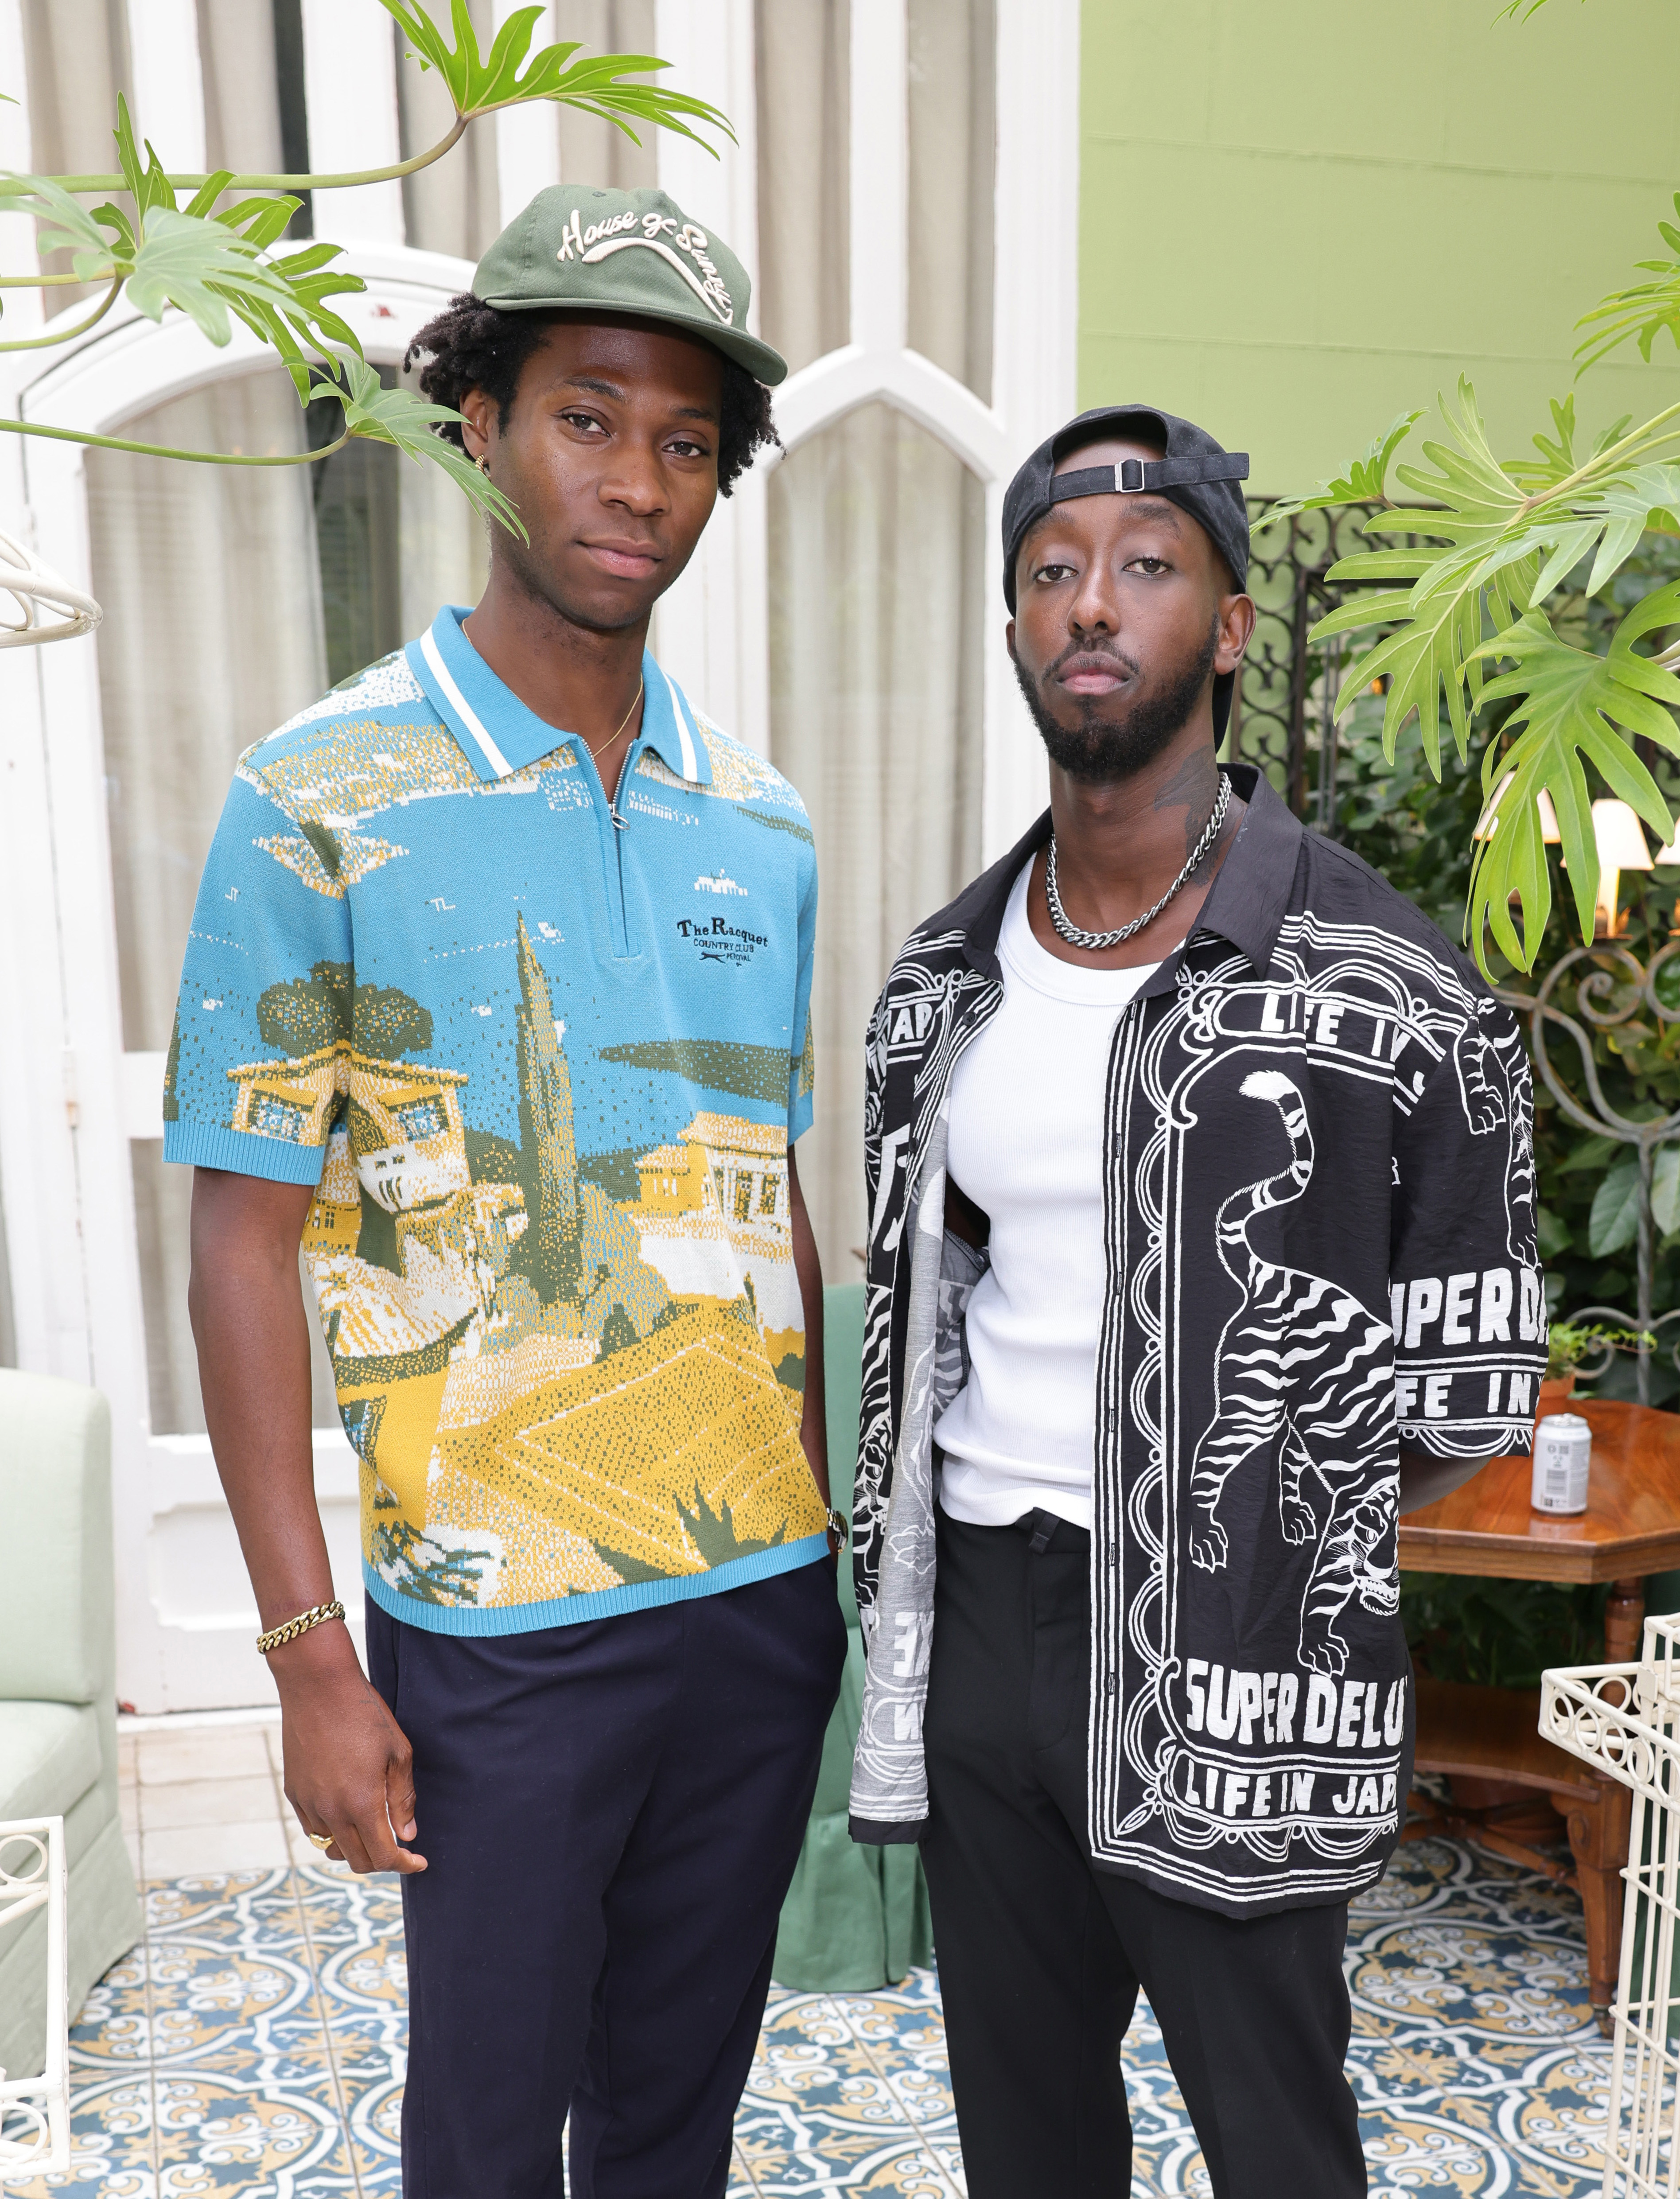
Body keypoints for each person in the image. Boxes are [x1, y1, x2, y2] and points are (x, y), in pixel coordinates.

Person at [166, 184, 848, 2199]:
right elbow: (240, 1234)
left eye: (687, 441)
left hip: (752, 1599)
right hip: (496, 1631)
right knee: (486, 2135)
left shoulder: (766, 815)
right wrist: (308, 1650)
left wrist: (807, 1500)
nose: (636, 481)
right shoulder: (323, 790)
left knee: (675, 2121)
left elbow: (772, 1183)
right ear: (480, 420)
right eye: (588, 416)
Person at [848, 404, 1547, 2199]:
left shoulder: (1390, 983)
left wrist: (1265, 1536)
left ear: (1228, 627)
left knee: (1279, 2147)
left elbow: (1472, 1377)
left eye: (1148, 566)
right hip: (989, 1628)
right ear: (1015, 629)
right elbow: (918, 1315)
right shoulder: (940, 980)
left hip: (1242, 1647)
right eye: (1053, 573)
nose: (1095, 603)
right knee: (1029, 2140)